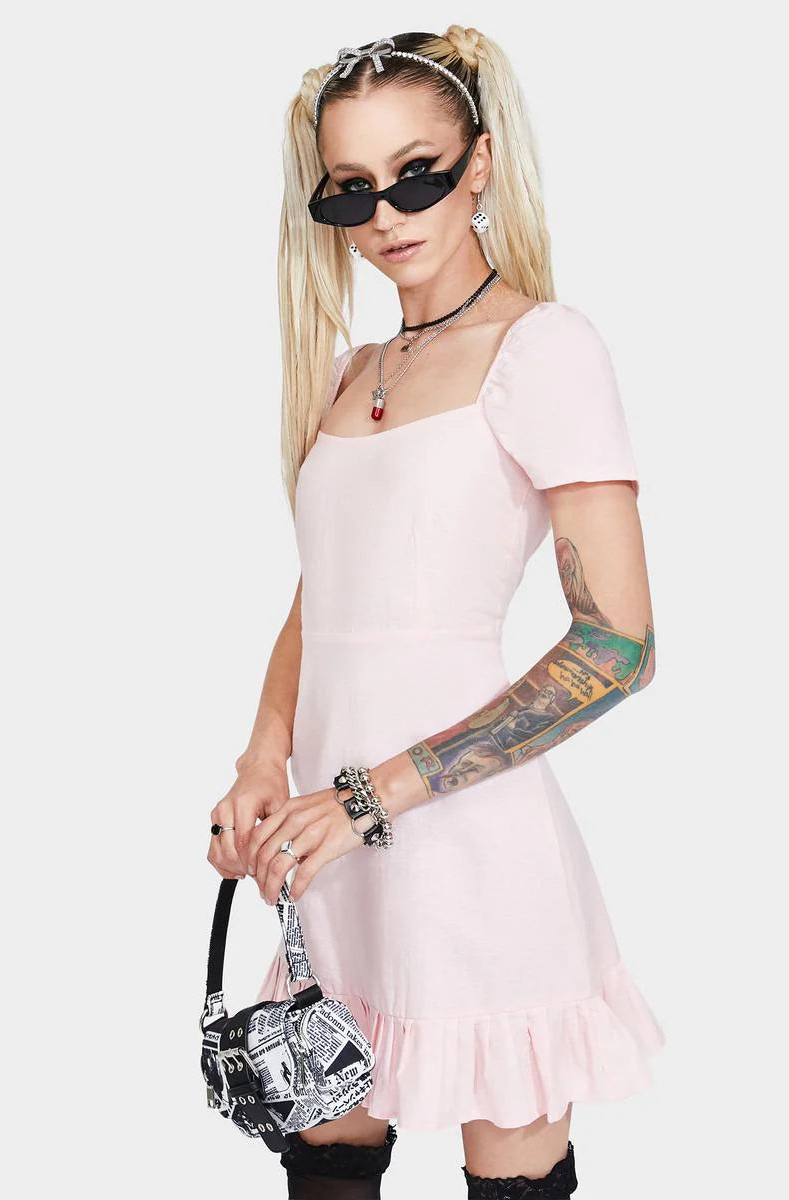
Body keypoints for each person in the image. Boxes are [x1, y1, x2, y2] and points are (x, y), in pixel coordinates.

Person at [207, 26, 666, 1199]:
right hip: (332, 858)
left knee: (510, 1177)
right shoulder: (348, 371)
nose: (387, 215)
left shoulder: (544, 350)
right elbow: (324, 596)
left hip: (469, 853)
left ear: (481, 162)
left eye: (417, 174)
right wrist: (263, 760)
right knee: (325, 1171)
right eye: (351, 189)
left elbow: (618, 646)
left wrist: (376, 795)